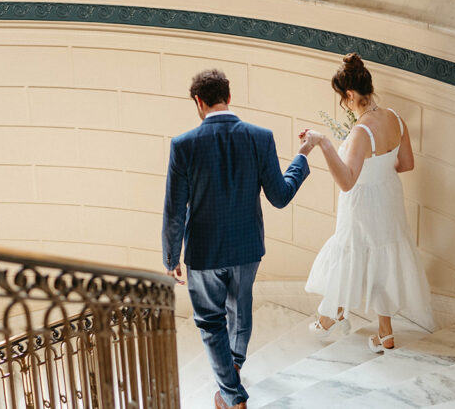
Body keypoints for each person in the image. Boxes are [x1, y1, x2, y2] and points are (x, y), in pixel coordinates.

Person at [162, 68, 321, 409]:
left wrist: (171, 257)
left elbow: (174, 211)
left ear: (198, 101)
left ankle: (233, 396)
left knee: (209, 322)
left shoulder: (183, 145)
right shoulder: (260, 137)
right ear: (229, 97)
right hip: (248, 247)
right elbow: (279, 196)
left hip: (204, 253)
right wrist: (303, 155)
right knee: (240, 307)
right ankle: (233, 368)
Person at [300, 53, 434, 352]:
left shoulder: (362, 132)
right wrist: (380, 171)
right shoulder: (396, 118)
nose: (344, 105)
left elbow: (347, 181)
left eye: (343, 99)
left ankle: (330, 315)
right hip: (389, 196)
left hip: (361, 202)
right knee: (382, 257)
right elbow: (407, 163)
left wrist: (323, 144)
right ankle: (385, 333)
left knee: (351, 254)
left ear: (350, 95)